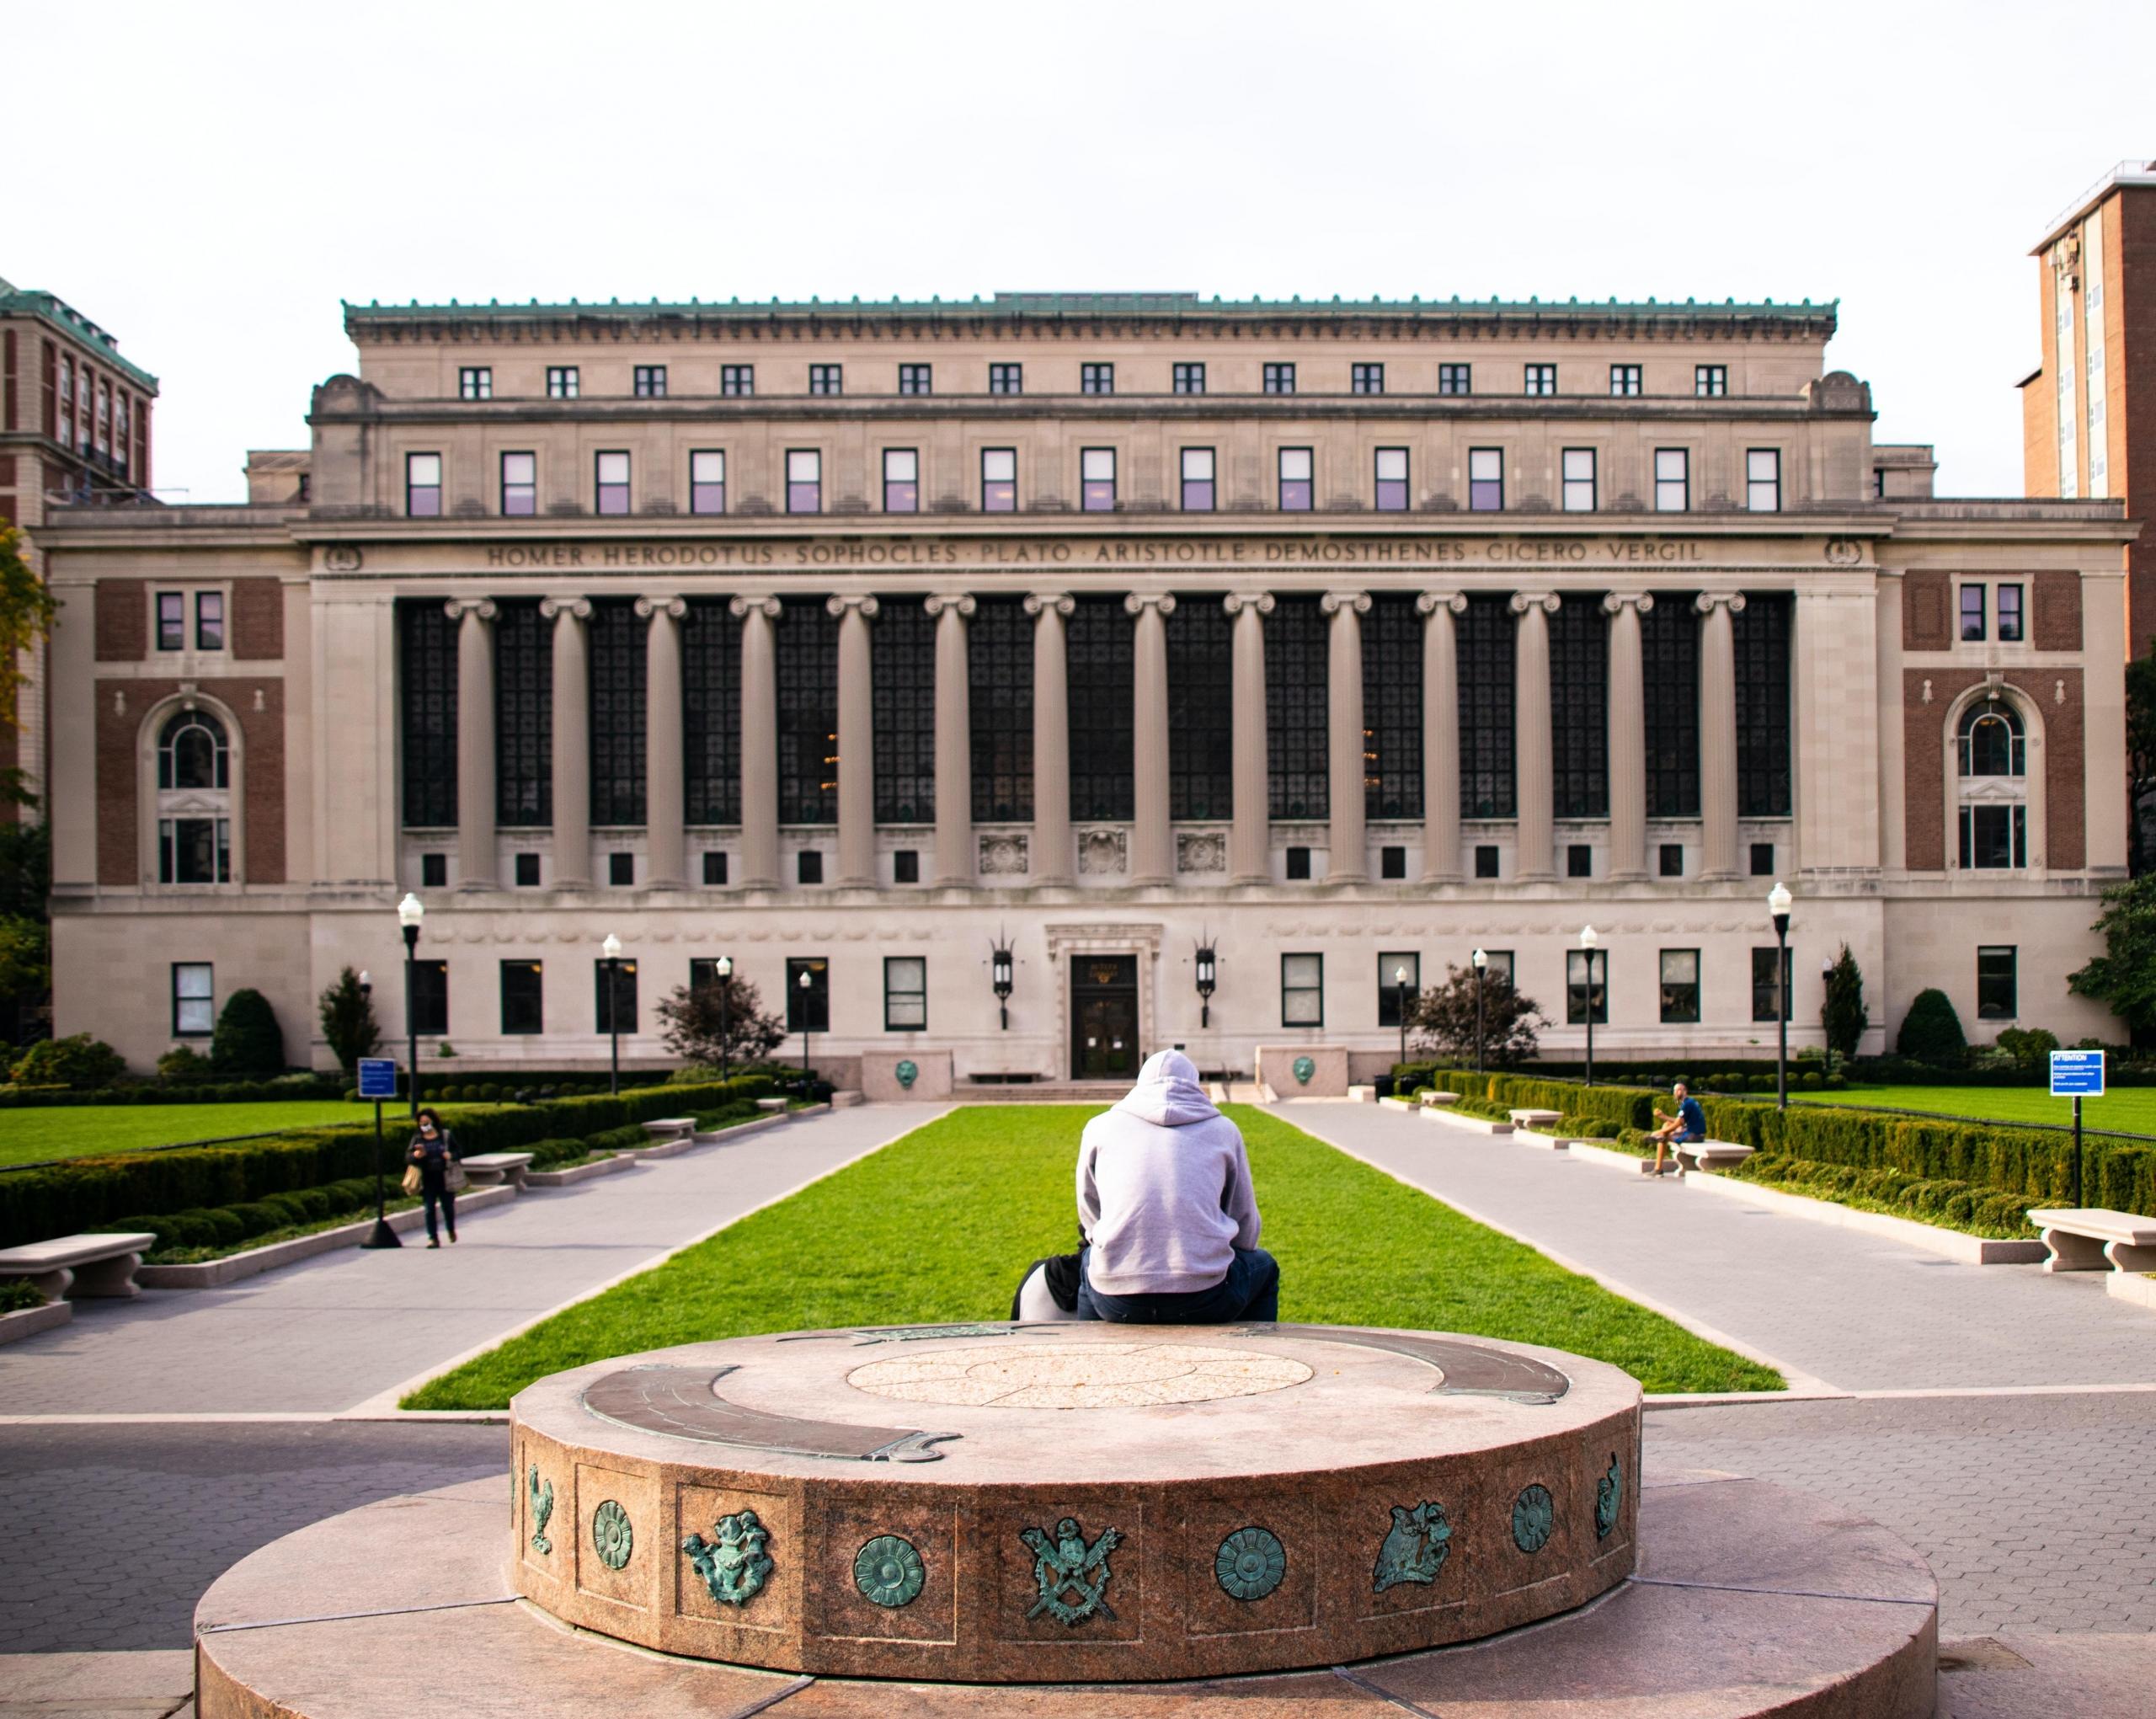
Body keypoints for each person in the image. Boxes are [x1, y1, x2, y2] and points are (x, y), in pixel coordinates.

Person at [1073, 1049, 1278, 1323]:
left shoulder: (1099, 1127)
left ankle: (1089, 1343)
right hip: (1206, 1295)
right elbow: (1244, 1218)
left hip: (1116, 1298)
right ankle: (1257, 1345)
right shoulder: (1224, 1130)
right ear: (1195, 1085)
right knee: (1265, 1267)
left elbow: (1089, 1208)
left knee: (1091, 1262)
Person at [407, 1107, 462, 1247]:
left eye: (427, 1122)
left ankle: (451, 1229)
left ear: (433, 1121)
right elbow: (408, 1157)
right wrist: (416, 1155)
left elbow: (458, 1151)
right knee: (429, 1209)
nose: (424, 1125)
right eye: (421, 1122)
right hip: (427, 1178)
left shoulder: (445, 1136)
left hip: (445, 1177)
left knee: (448, 1208)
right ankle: (433, 1238)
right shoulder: (418, 1138)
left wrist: (451, 1156)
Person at [1646, 1081, 1706, 1177]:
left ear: (1685, 1091)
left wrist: (1660, 1132)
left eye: (1678, 1090)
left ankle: (1658, 1169)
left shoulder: (1687, 1104)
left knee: (1662, 1136)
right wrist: (1663, 1116)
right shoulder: (1689, 1102)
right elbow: (1679, 1121)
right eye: (1675, 1090)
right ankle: (1659, 1165)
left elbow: (1678, 1123)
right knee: (1667, 1125)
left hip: (1694, 1135)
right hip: (1694, 1133)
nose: (1675, 1093)